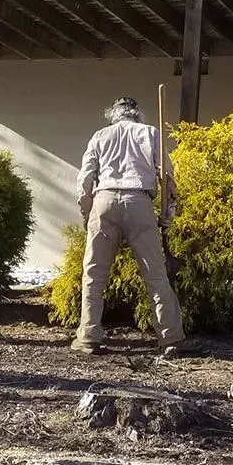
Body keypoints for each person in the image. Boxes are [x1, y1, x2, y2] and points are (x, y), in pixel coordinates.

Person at [74, 96, 186, 356]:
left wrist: (87, 213)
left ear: (112, 115)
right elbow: (168, 181)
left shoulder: (100, 135)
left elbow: (85, 181)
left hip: (104, 200)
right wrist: (167, 217)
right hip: (139, 202)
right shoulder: (150, 133)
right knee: (156, 274)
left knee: (94, 274)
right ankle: (170, 338)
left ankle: (89, 336)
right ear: (136, 114)